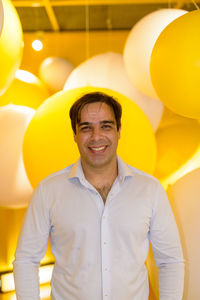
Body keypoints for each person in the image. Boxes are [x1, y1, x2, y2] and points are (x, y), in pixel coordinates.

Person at [13, 92, 184, 300]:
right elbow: (26, 260)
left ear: (119, 131)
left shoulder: (150, 189)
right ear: (75, 135)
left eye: (106, 126)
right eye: (86, 128)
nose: (96, 137)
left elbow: (170, 261)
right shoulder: (48, 191)